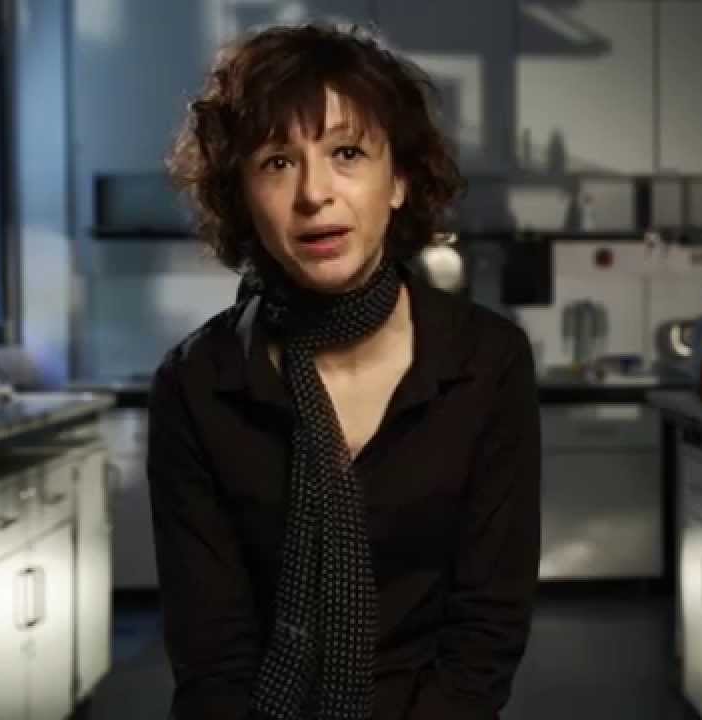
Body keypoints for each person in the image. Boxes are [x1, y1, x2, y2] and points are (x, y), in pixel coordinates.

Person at [149, 22, 540, 720]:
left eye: (348, 153)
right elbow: (211, 653)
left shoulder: (488, 363)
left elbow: (488, 626)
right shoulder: (195, 383)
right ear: (241, 196)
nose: (314, 194)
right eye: (276, 162)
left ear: (399, 182)